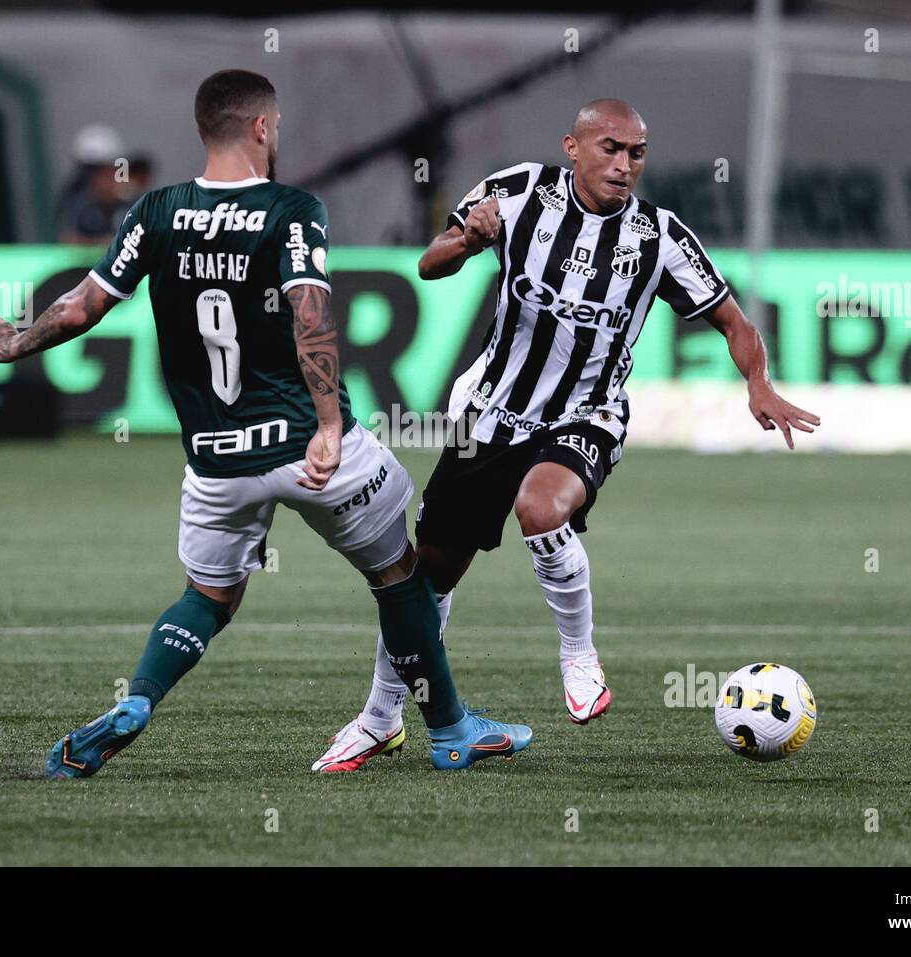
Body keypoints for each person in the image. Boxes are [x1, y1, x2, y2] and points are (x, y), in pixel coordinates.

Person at [0, 69, 532, 776]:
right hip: (306, 444)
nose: (278, 135)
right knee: (398, 574)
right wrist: (326, 424)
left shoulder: (155, 211)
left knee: (208, 595)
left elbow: (81, 306)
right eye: (277, 125)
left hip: (216, 461)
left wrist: (11, 340)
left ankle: (138, 697)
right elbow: (309, 313)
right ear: (261, 127)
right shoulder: (292, 208)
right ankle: (450, 730)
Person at [313, 98, 819, 772]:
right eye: (610, 148)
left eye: (636, 153)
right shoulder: (516, 192)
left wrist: (758, 381)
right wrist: (466, 239)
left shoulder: (659, 237)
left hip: (588, 413)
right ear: (572, 147)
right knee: (425, 577)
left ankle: (579, 653)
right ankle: (381, 717)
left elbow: (734, 320)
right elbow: (430, 265)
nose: (624, 164)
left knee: (541, 505)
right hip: (492, 412)